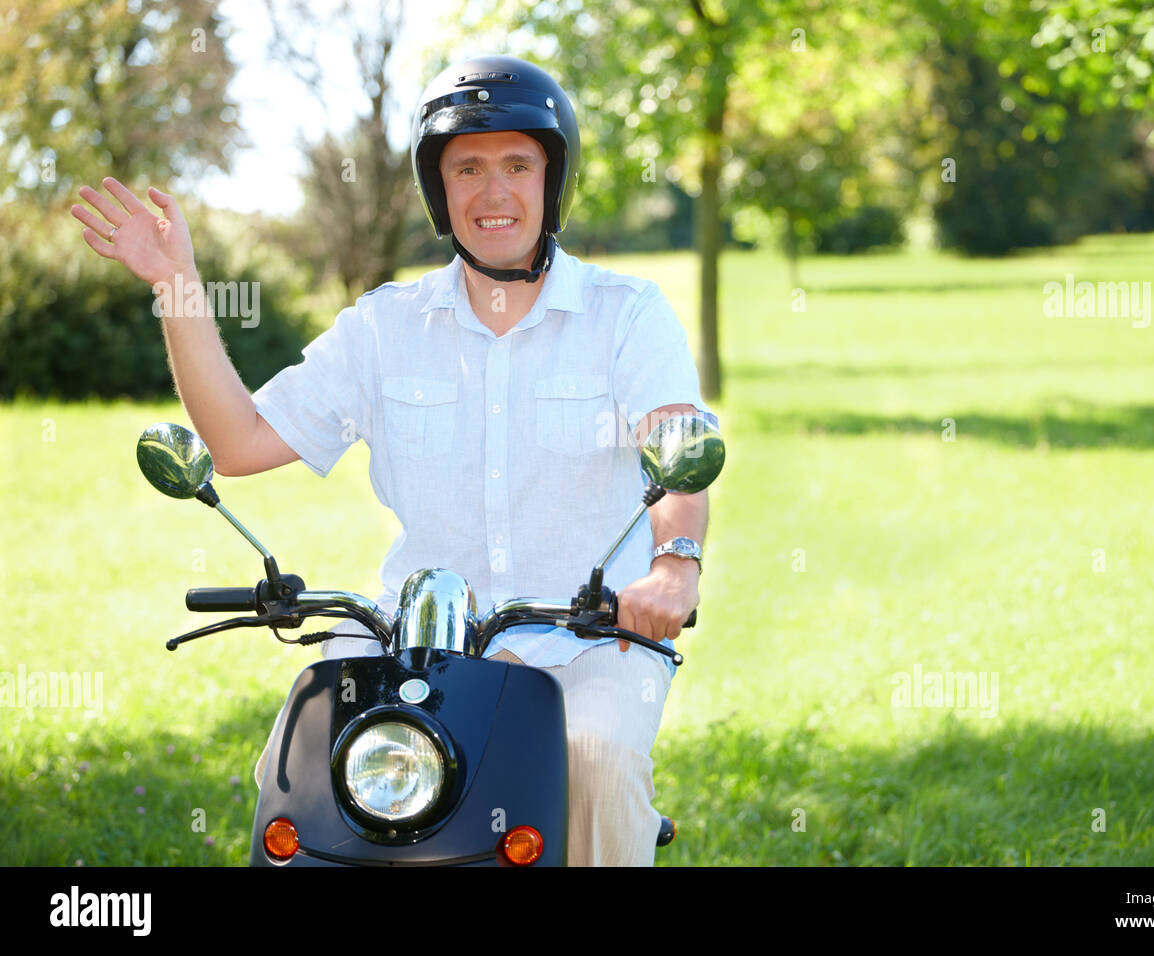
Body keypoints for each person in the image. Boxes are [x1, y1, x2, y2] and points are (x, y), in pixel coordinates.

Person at [71, 54, 712, 866]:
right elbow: (236, 443)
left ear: (554, 180)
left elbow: (678, 445)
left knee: (596, 759)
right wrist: (177, 281)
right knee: (295, 766)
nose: (494, 192)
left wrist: (673, 566)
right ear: (438, 190)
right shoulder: (384, 329)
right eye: (467, 168)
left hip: (590, 639)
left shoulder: (625, 316)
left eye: (519, 165)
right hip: (409, 639)